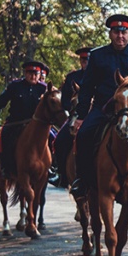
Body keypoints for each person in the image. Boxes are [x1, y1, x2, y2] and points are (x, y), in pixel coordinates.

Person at [70, 14, 128, 206]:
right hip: (104, 109)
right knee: (83, 136)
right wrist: (80, 116)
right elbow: (87, 88)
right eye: (116, 32)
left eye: (124, 32)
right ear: (110, 34)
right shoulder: (97, 56)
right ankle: (83, 180)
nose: (120, 36)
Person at [0, 60, 49, 177]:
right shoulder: (15, 86)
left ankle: (51, 167)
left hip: (37, 125)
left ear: (39, 74)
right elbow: (1, 101)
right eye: (30, 73)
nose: (33, 76)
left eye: (35, 74)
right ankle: (6, 167)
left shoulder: (44, 89)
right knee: (3, 138)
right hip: (16, 122)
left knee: (53, 139)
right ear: (25, 73)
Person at [52, 48, 91, 187]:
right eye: (83, 60)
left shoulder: (100, 75)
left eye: (88, 60)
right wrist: (73, 108)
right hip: (75, 115)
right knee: (59, 141)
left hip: (94, 114)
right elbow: (64, 100)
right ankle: (62, 175)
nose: (85, 62)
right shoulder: (72, 77)